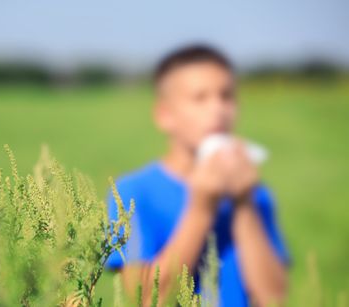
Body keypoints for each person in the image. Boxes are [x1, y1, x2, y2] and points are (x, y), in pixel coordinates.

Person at [105, 45, 290, 307]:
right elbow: (146, 298)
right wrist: (201, 207)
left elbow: (275, 297)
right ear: (164, 115)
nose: (218, 109)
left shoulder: (255, 193)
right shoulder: (133, 192)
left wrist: (244, 205)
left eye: (226, 96)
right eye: (199, 98)